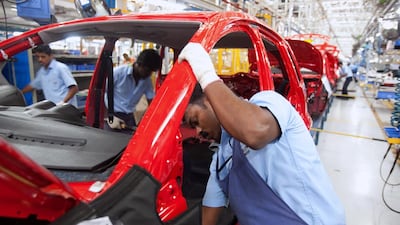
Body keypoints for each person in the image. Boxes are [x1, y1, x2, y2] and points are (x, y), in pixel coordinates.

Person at [179, 43, 346, 225]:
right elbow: (210, 210)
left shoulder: (270, 102)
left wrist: (206, 76)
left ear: (209, 100)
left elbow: (254, 133)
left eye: (195, 120)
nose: (198, 132)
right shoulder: (220, 164)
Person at [105, 49, 161, 132]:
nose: (149, 74)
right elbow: (104, 92)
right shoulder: (117, 73)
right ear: (139, 64)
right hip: (113, 116)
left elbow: (152, 102)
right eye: (148, 71)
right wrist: (109, 116)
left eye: (151, 72)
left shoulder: (146, 81)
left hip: (129, 117)